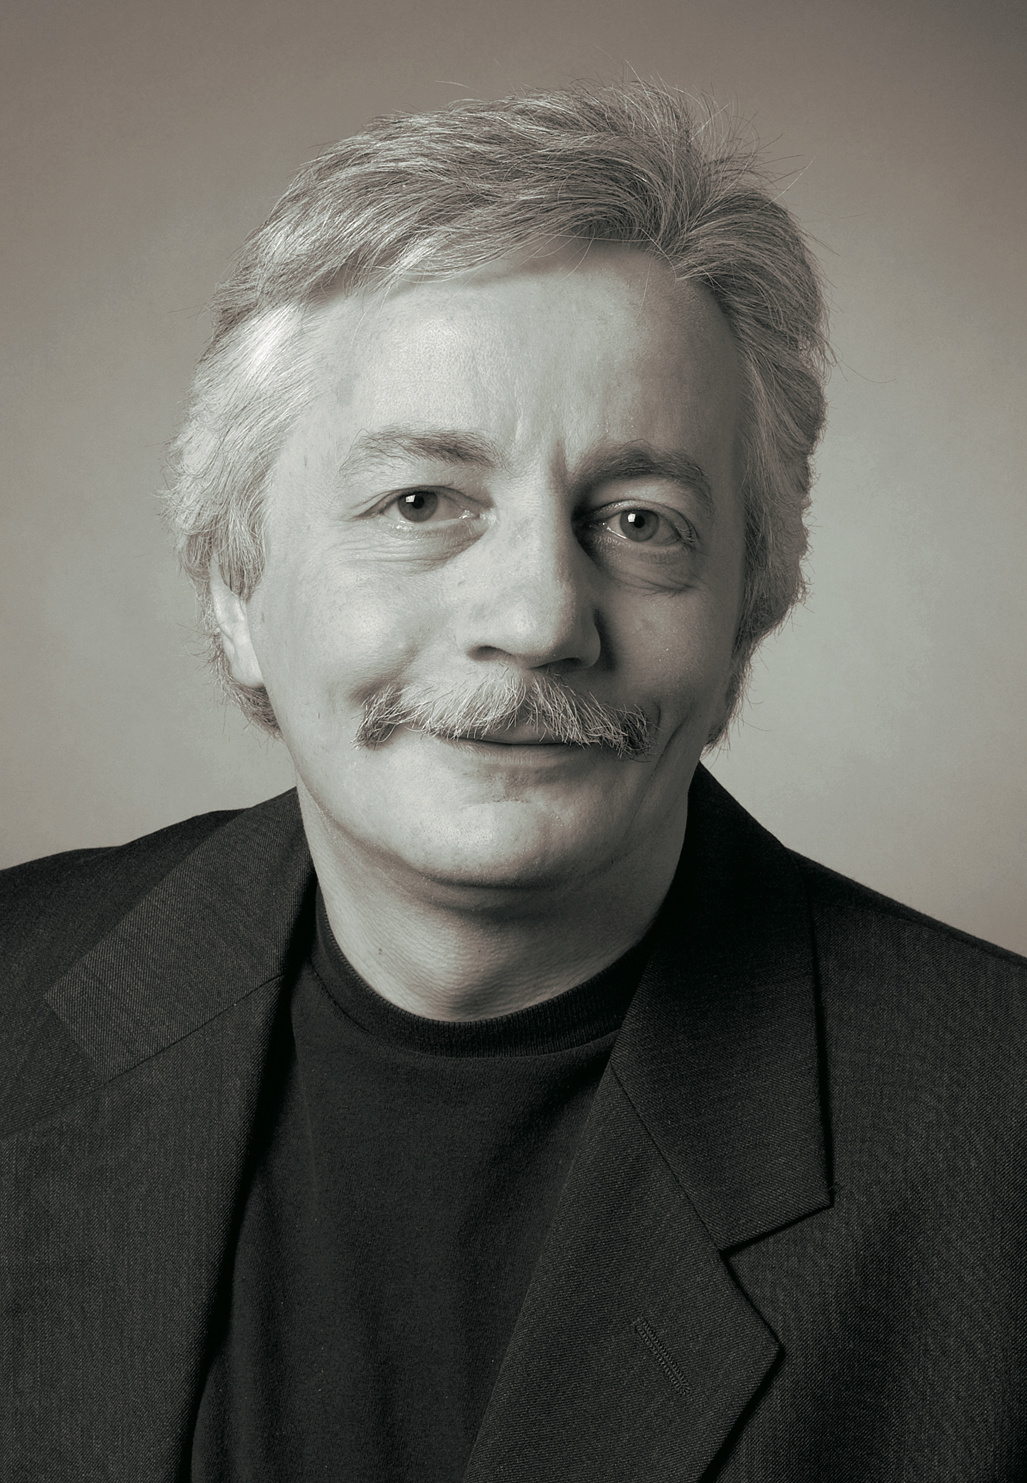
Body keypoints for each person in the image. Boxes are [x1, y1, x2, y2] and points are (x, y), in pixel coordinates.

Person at [1, 81, 1024, 1483]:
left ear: (748, 610)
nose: (541, 617)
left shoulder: (999, 1137)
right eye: (421, 502)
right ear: (238, 590)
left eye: (641, 521)